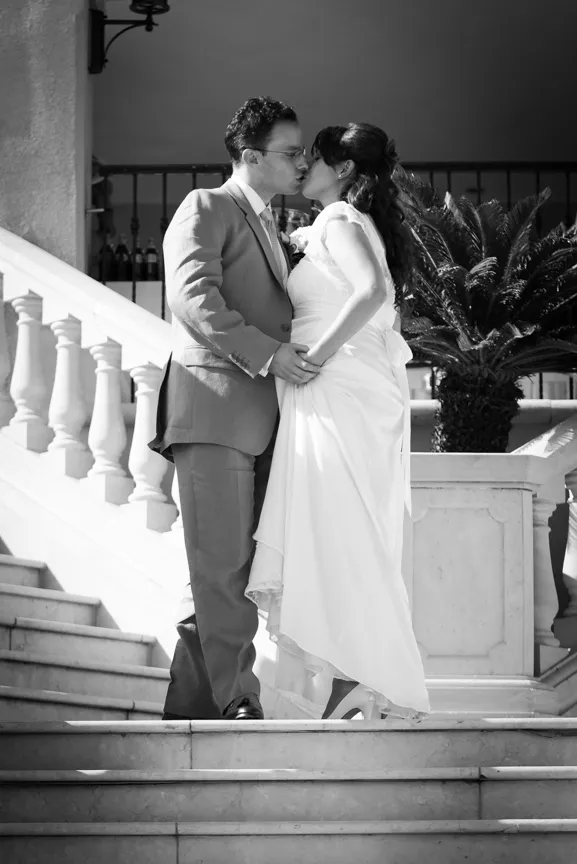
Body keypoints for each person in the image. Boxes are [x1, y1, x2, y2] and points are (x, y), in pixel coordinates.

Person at [246, 123, 430, 720]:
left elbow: (372, 291)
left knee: (338, 523)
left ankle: (357, 673)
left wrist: (312, 358)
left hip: (336, 384)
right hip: (349, 386)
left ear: (344, 170)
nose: (303, 169)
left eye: (315, 159)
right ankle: (357, 674)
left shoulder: (339, 222)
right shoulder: (344, 225)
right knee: (344, 525)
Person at [149, 97, 317, 721]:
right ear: (250, 156)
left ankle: (191, 704)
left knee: (230, 569)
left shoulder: (271, 224)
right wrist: (269, 355)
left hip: (262, 419)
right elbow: (192, 300)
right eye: (290, 152)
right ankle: (237, 698)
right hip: (215, 408)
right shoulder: (207, 206)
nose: (302, 163)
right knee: (220, 566)